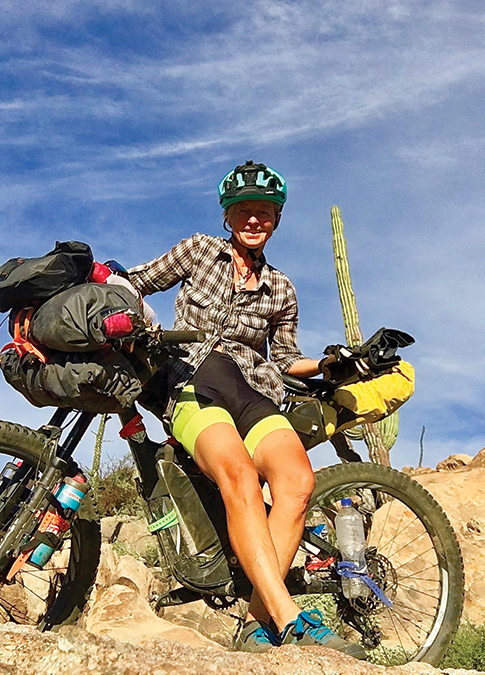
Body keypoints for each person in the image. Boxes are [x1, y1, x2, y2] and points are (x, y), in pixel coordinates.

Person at [126, 161, 365, 657]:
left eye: (264, 212)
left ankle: (259, 620)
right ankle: (290, 619)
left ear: (276, 219)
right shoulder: (199, 251)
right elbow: (138, 284)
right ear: (228, 216)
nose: (254, 220)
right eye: (243, 211)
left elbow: (282, 360)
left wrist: (329, 362)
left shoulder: (281, 288)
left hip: (254, 391)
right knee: (238, 475)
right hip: (191, 382)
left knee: (297, 481)